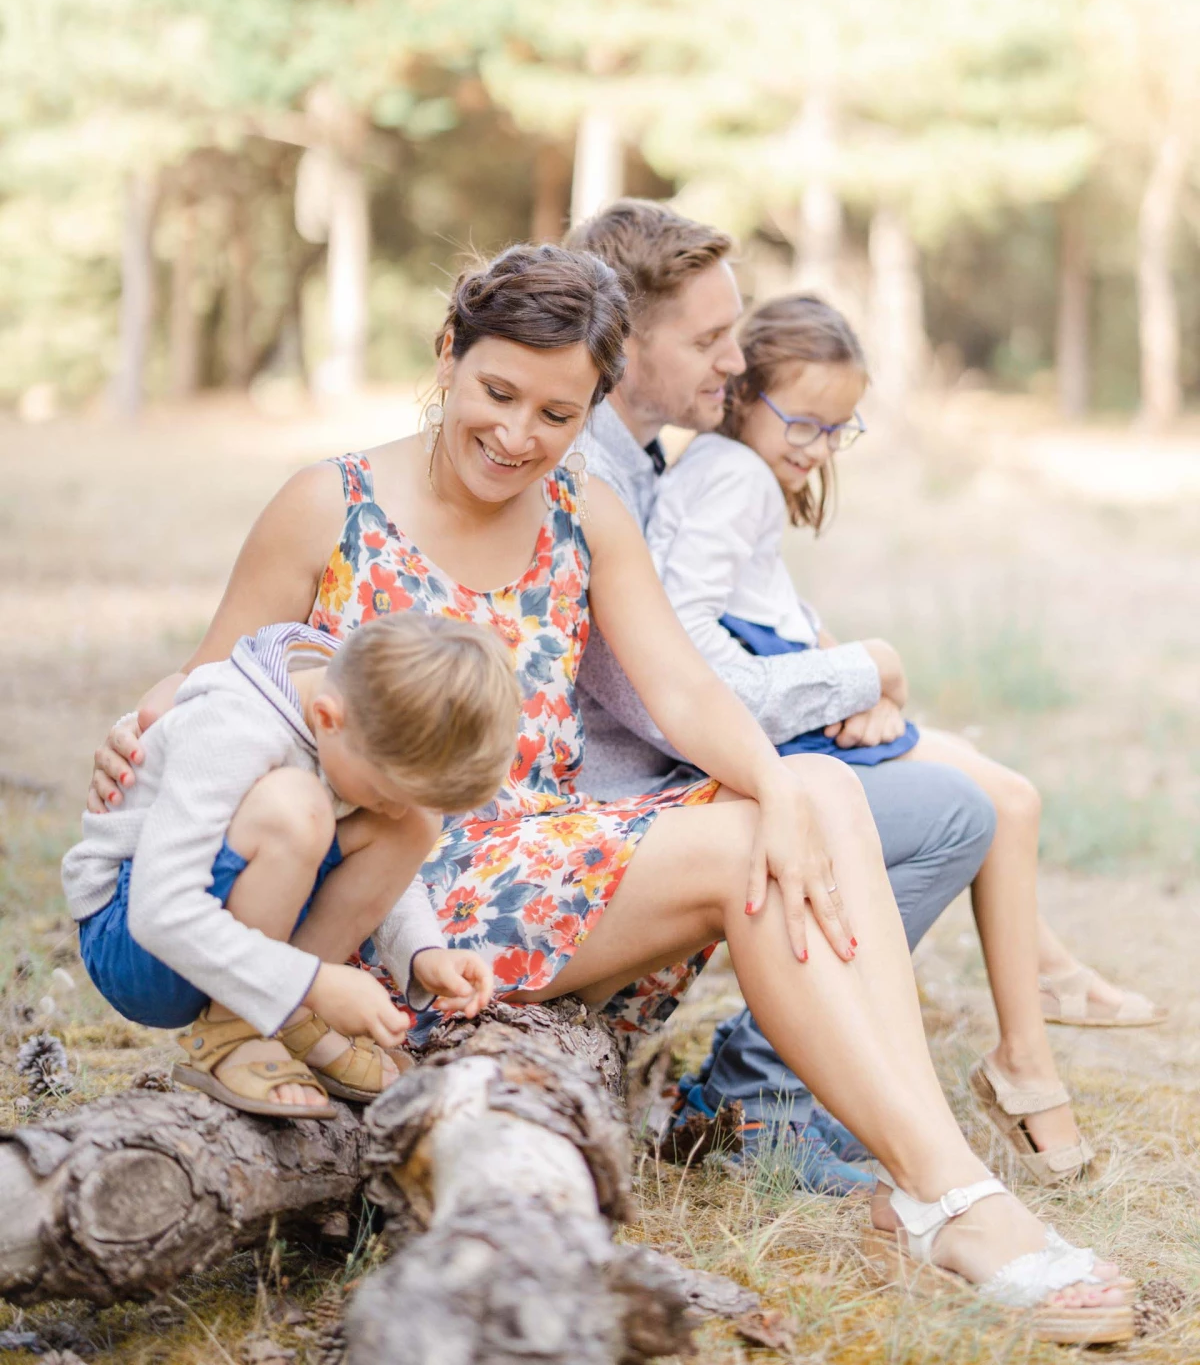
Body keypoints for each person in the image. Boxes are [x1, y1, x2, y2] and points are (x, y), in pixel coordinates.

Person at [86, 243, 1130, 1342]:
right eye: (497, 393)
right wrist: (136, 731)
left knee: (820, 790)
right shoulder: (328, 504)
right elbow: (219, 676)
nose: (517, 436)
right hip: (391, 892)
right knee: (741, 847)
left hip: (538, 859)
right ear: (446, 357)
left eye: (557, 413)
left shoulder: (581, 509)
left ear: (591, 409)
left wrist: (777, 789)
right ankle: (955, 1201)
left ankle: (937, 1186)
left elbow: (682, 689)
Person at [563, 199, 1160, 1192]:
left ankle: (880, 1065)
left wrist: (847, 671)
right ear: (621, 340)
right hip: (628, 806)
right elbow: (680, 697)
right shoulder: (597, 478)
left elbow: (721, 635)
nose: (732, 363)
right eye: (709, 341)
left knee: (975, 789)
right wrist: (861, 671)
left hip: (676, 773)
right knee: (951, 815)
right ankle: (759, 1100)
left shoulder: (645, 461)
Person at [649, 290, 1107, 1185]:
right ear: (742, 391)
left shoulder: (736, 471)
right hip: (747, 747)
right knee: (975, 811)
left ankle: (821, 1074)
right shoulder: (734, 476)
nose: (818, 449)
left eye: (837, 431)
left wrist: (866, 688)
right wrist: (864, 673)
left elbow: (773, 618)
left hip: (789, 724)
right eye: (803, 423)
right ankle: (763, 1088)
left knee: (998, 797)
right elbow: (690, 637)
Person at [65, 612, 514, 1117]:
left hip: (220, 927)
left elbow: (390, 846)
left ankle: (283, 1019)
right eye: (383, 792)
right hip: (137, 940)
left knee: (414, 823)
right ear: (327, 718)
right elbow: (159, 912)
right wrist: (314, 982)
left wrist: (423, 953)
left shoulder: (356, 712)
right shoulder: (235, 725)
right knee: (296, 805)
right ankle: (235, 1030)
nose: (388, 810)